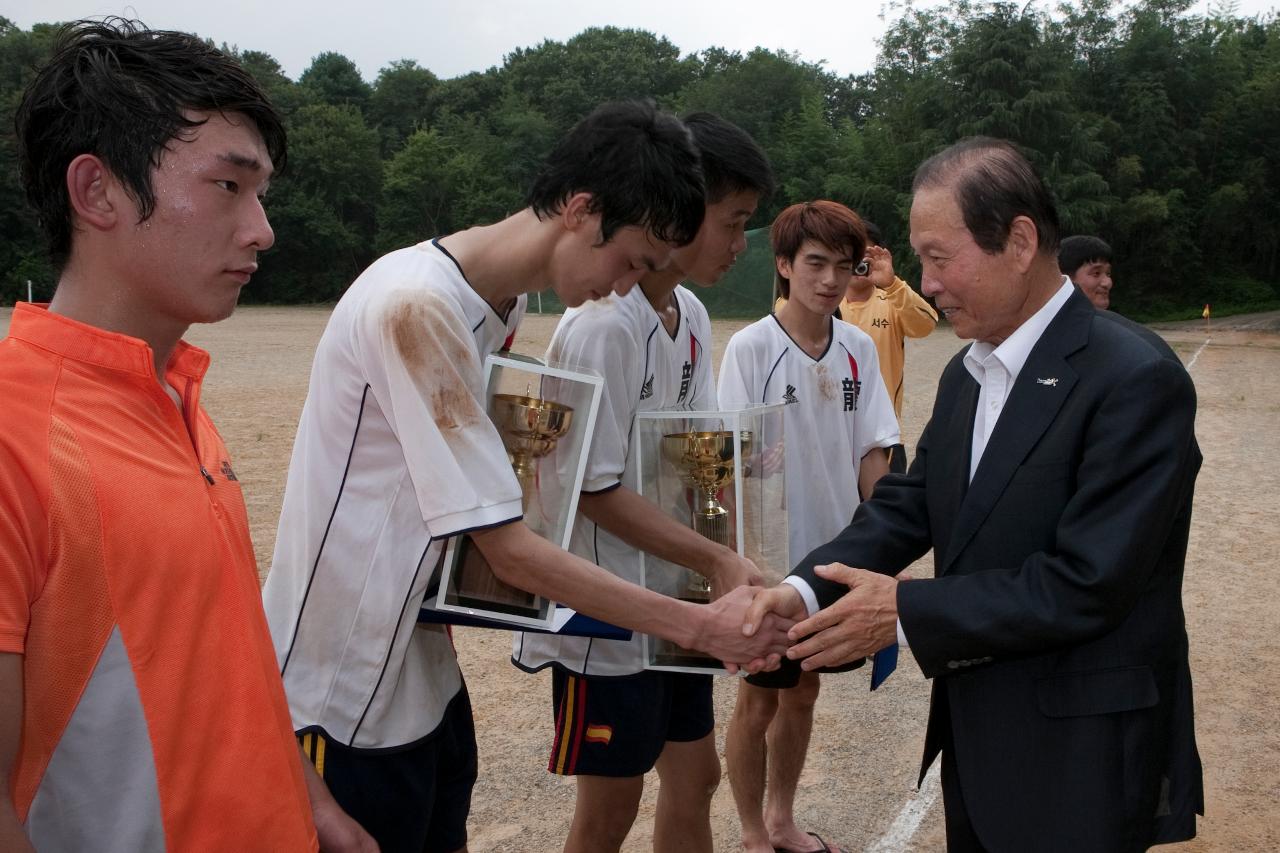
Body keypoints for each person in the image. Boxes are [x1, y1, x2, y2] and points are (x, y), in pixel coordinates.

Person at [261, 101, 792, 853]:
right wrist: (697, 623)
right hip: (342, 690)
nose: (621, 286)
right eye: (632, 259)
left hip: (419, 674)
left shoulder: (494, 307)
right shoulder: (415, 306)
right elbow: (508, 546)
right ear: (581, 210)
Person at [745, 138, 1203, 852]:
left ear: (1019, 241)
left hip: (1080, 752)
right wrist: (802, 589)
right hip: (978, 738)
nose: (925, 283)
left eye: (938, 256)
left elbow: (1090, 581)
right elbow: (909, 504)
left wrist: (902, 612)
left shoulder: (1134, 377)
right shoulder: (969, 371)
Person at [0, 19, 372, 852]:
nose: (263, 230)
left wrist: (308, 800)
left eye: (262, 192)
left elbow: (220, 651)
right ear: (97, 191)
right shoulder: (17, 437)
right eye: (230, 186)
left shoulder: (173, 398)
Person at [510, 113, 774, 853]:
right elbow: (590, 489)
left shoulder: (688, 310)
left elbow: (692, 447)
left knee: (695, 777)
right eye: (733, 222)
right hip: (611, 614)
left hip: (678, 592)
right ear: (679, 215)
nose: (739, 243)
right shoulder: (603, 322)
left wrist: (741, 482)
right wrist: (717, 558)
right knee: (610, 808)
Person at [720, 201, 898, 853]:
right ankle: (748, 833)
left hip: (830, 561)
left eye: (841, 266)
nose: (828, 279)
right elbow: (730, 463)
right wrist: (737, 568)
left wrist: (884, 548)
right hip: (769, 564)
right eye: (814, 263)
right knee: (758, 700)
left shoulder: (857, 348)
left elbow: (872, 455)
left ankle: (781, 818)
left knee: (804, 691)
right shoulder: (751, 348)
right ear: (786, 265)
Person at [839, 220, 939, 473]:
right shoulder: (821, 302)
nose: (857, 263)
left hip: (882, 435)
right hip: (830, 434)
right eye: (849, 252)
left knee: (882, 509)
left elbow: (926, 324)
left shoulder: (892, 300)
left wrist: (892, 283)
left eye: (866, 254)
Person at [1058, 234, 1115, 310]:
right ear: (1066, 278)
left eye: (1108, 274)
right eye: (1096, 273)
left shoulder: (1115, 321)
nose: (1108, 283)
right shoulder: (1043, 320)